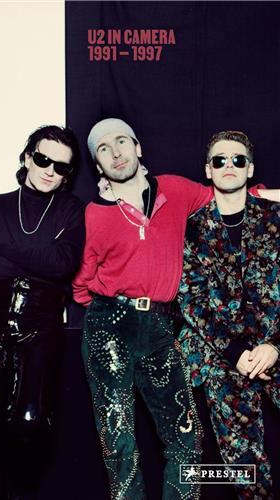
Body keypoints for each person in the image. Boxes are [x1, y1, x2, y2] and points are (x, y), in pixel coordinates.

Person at [71, 118, 279, 500]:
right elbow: (82, 282)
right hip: (111, 322)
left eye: (122, 141)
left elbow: (228, 192)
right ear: (98, 165)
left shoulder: (175, 190)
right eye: (104, 148)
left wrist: (264, 194)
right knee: (118, 439)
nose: (116, 152)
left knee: (187, 437)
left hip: (161, 324)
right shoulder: (95, 214)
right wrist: (107, 311)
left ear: (138, 147)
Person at [0, 125, 85, 499]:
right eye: (44, 160)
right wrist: (36, 262)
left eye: (61, 167)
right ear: (27, 157)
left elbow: (62, 263)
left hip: (42, 325)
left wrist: (3, 249)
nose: (50, 171)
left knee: (31, 423)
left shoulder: (71, 210)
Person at [177, 131, 280, 499]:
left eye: (238, 159)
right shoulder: (192, 227)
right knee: (244, 465)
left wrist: (274, 346)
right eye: (219, 160)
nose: (229, 166)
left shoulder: (275, 219)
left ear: (250, 169)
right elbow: (192, 301)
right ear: (208, 170)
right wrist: (236, 353)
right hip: (224, 355)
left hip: (274, 343)